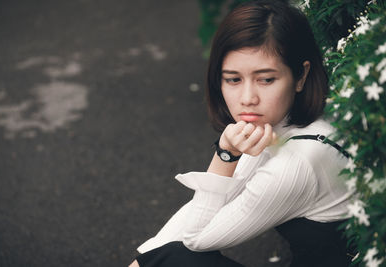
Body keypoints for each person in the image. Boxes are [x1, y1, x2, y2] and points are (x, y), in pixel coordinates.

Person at [129, 1, 354, 266]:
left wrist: (226, 155)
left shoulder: (297, 163)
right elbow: (201, 211)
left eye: (266, 79)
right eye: (233, 79)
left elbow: (194, 240)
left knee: (175, 260)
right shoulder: (280, 124)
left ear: (301, 76)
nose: (248, 99)